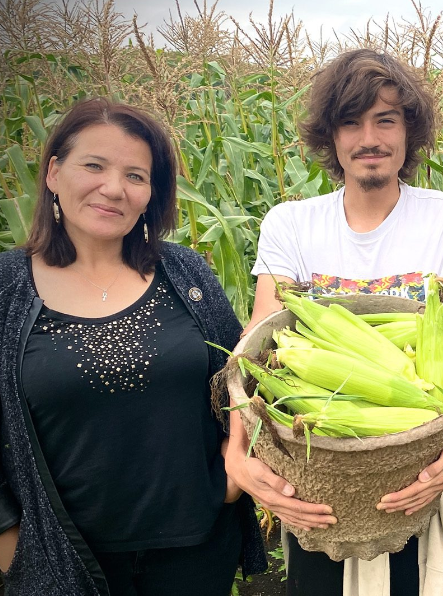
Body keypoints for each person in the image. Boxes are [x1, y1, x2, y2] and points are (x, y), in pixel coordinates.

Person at [227, 49, 443, 595]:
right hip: (324, 492)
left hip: (430, 478)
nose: (368, 138)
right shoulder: (291, 225)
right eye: (350, 122)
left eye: (385, 119)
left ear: (409, 131)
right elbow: (257, 346)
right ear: (329, 137)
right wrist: (239, 452)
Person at [0, 97, 266, 596]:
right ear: (54, 173)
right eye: (93, 166)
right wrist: (9, 540)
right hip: (65, 561)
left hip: (197, 550)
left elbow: (246, 379)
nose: (113, 188)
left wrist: (232, 479)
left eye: (136, 176)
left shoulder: (185, 273)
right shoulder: (7, 289)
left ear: (151, 194)